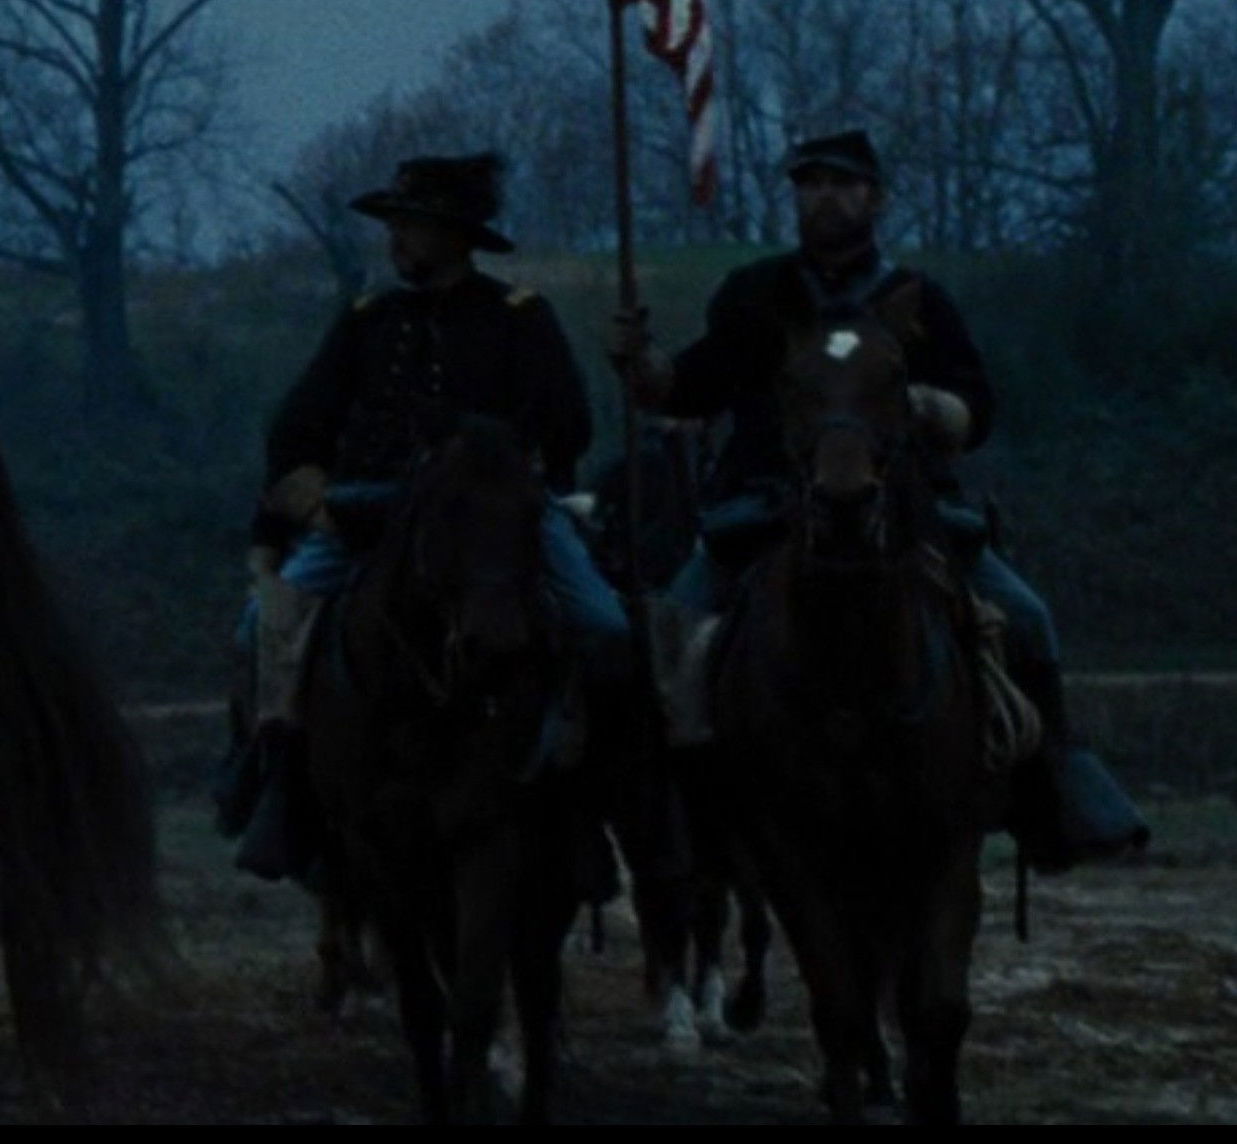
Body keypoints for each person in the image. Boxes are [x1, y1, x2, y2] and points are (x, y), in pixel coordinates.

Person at [606, 128, 1148, 870]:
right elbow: (693, 386)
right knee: (672, 634)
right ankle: (675, 814)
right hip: (765, 511)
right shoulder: (755, 294)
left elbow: (976, 405)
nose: (824, 197)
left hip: (902, 512)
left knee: (1026, 618)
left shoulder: (918, 300)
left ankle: (1056, 786)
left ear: (876, 198)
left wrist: (928, 406)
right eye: (810, 184)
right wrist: (642, 366)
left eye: (842, 183)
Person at [222, 152, 628, 881]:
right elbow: (297, 428)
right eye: (394, 223)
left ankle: (585, 798)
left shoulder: (519, 317)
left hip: (492, 520)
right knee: (262, 625)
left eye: (410, 224)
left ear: (455, 234)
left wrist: (490, 464)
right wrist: (314, 499)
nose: (396, 238)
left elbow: (566, 425)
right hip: (364, 514)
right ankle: (279, 783)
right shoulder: (367, 321)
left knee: (605, 623)